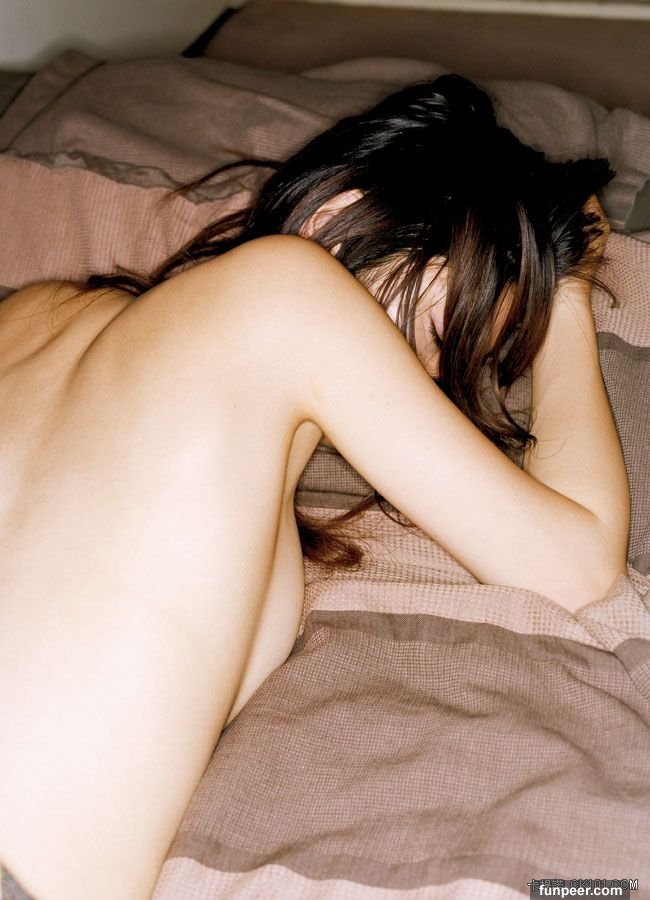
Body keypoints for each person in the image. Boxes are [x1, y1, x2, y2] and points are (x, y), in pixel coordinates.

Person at [0, 74, 630, 900]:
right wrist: (570, 288)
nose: (426, 382)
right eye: (441, 334)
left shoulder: (34, 311)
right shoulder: (289, 290)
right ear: (334, 219)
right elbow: (577, 564)